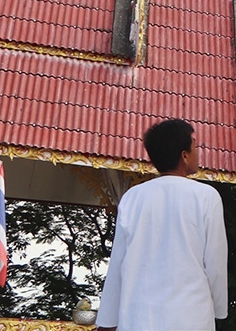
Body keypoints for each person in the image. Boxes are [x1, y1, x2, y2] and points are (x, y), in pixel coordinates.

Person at [97, 119, 227, 331]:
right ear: (184, 156)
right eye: (195, 145)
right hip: (190, 317)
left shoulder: (132, 197)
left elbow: (118, 262)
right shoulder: (206, 196)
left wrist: (107, 321)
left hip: (139, 317)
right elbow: (215, 263)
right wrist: (219, 309)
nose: (197, 151)